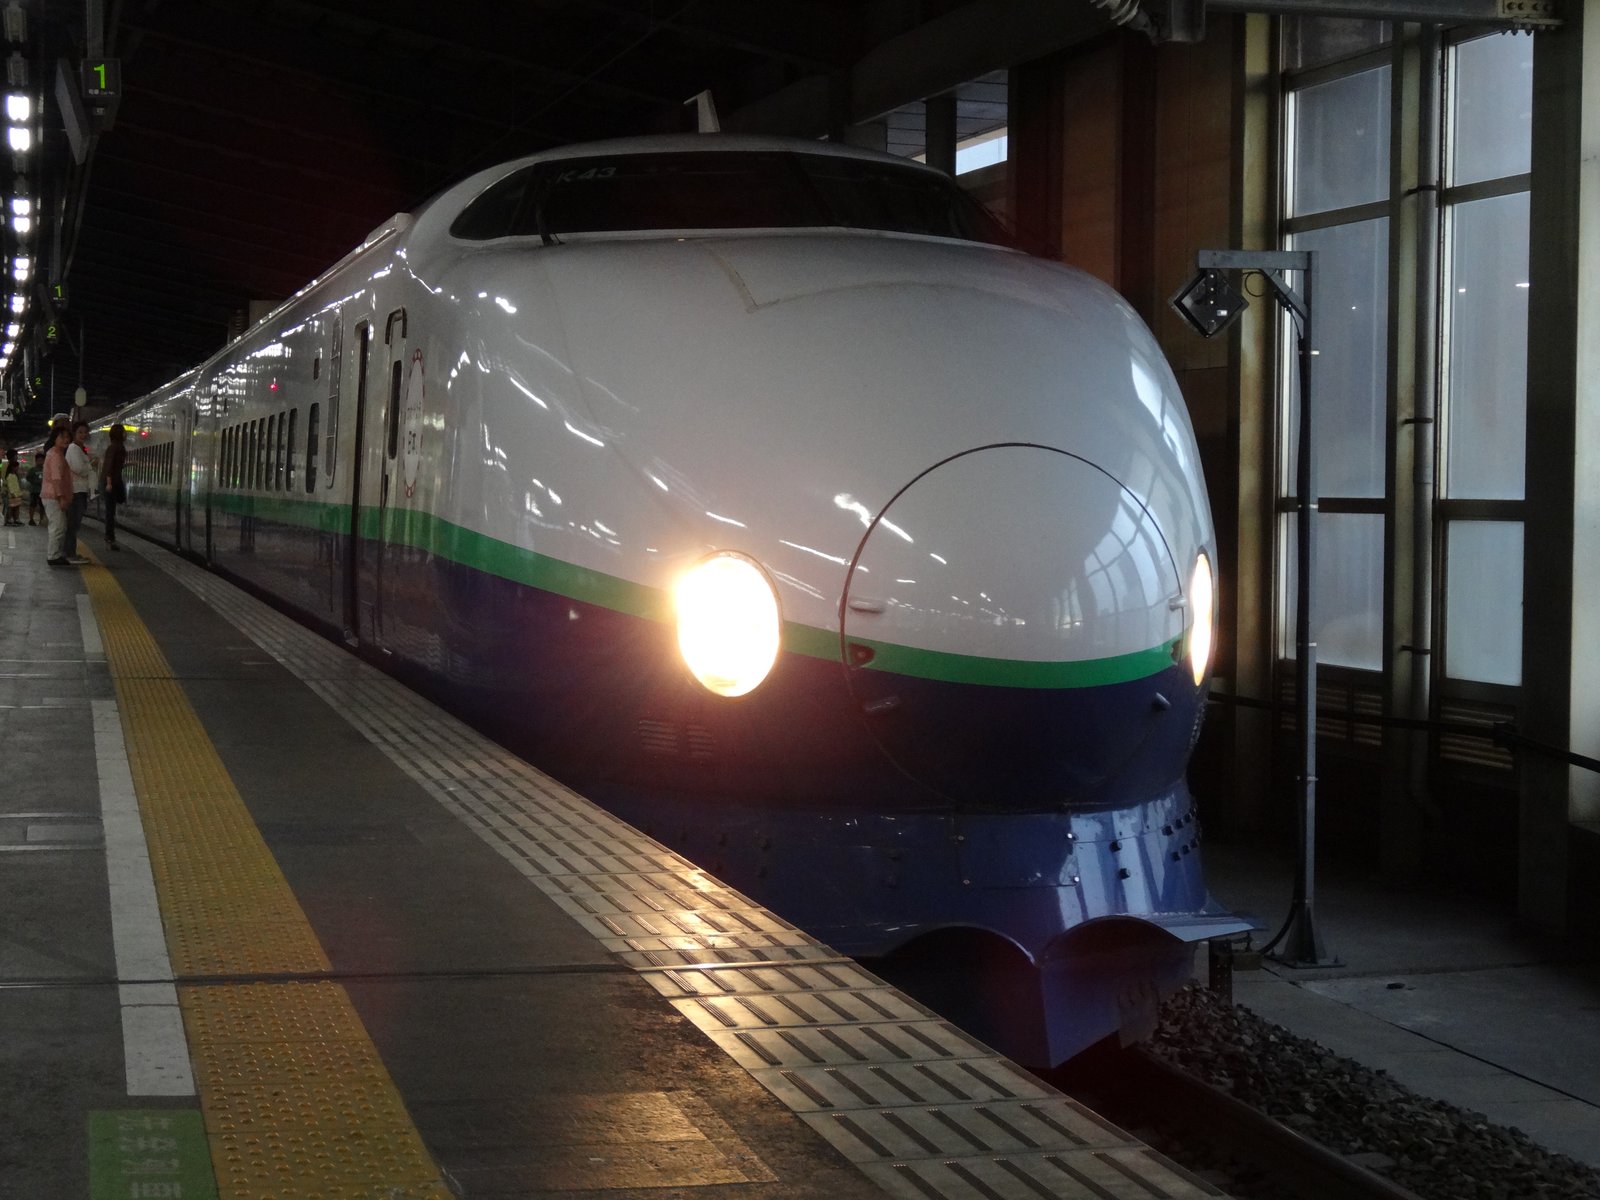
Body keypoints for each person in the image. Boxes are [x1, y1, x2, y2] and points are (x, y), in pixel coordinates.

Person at [63, 421, 96, 565]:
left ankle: (70, 552)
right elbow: (78, 468)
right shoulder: (74, 448)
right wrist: (91, 465)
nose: (83, 435)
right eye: (80, 432)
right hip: (75, 491)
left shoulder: (79, 449)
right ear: (74, 434)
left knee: (74, 524)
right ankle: (69, 554)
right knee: (73, 524)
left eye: (85, 432)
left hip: (79, 490)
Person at [42, 425, 73, 565]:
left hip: (52, 495)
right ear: (55, 438)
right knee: (58, 526)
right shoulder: (55, 455)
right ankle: (53, 556)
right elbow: (56, 478)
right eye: (62, 437)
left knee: (59, 525)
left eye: (67, 437)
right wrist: (61, 497)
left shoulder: (55, 453)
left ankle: (55, 554)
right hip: (53, 496)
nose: (66, 439)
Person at [100, 423, 127, 550]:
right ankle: (109, 538)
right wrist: (109, 483)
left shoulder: (118, 447)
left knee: (114, 507)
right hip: (110, 482)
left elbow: (115, 466)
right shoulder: (114, 447)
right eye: (123, 432)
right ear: (119, 434)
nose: (126, 434)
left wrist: (129, 464)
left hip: (114, 481)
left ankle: (110, 537)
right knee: (110, 511)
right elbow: (109, 467)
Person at [1, 449, 20, 525]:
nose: (17, 457)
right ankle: (7, 520)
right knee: (8, 505)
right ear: (12, 456)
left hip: (14, 490)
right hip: (7, 489)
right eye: (16, 455)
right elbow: (3, 476)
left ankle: (15, 519)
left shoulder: (14, 465)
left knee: (15, 505)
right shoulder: (4, 464)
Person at [25, 451, 42, 526]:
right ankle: (31, 519)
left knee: (42, 506)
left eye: (42, 460)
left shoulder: (45, 469)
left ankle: (41, 519)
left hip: (43, 491)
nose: (40, 462)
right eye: (39, 460)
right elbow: (28, 478)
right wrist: (35, 481)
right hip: (34, 490)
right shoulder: (32, 470)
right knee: (32, 505)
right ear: (36, 461)